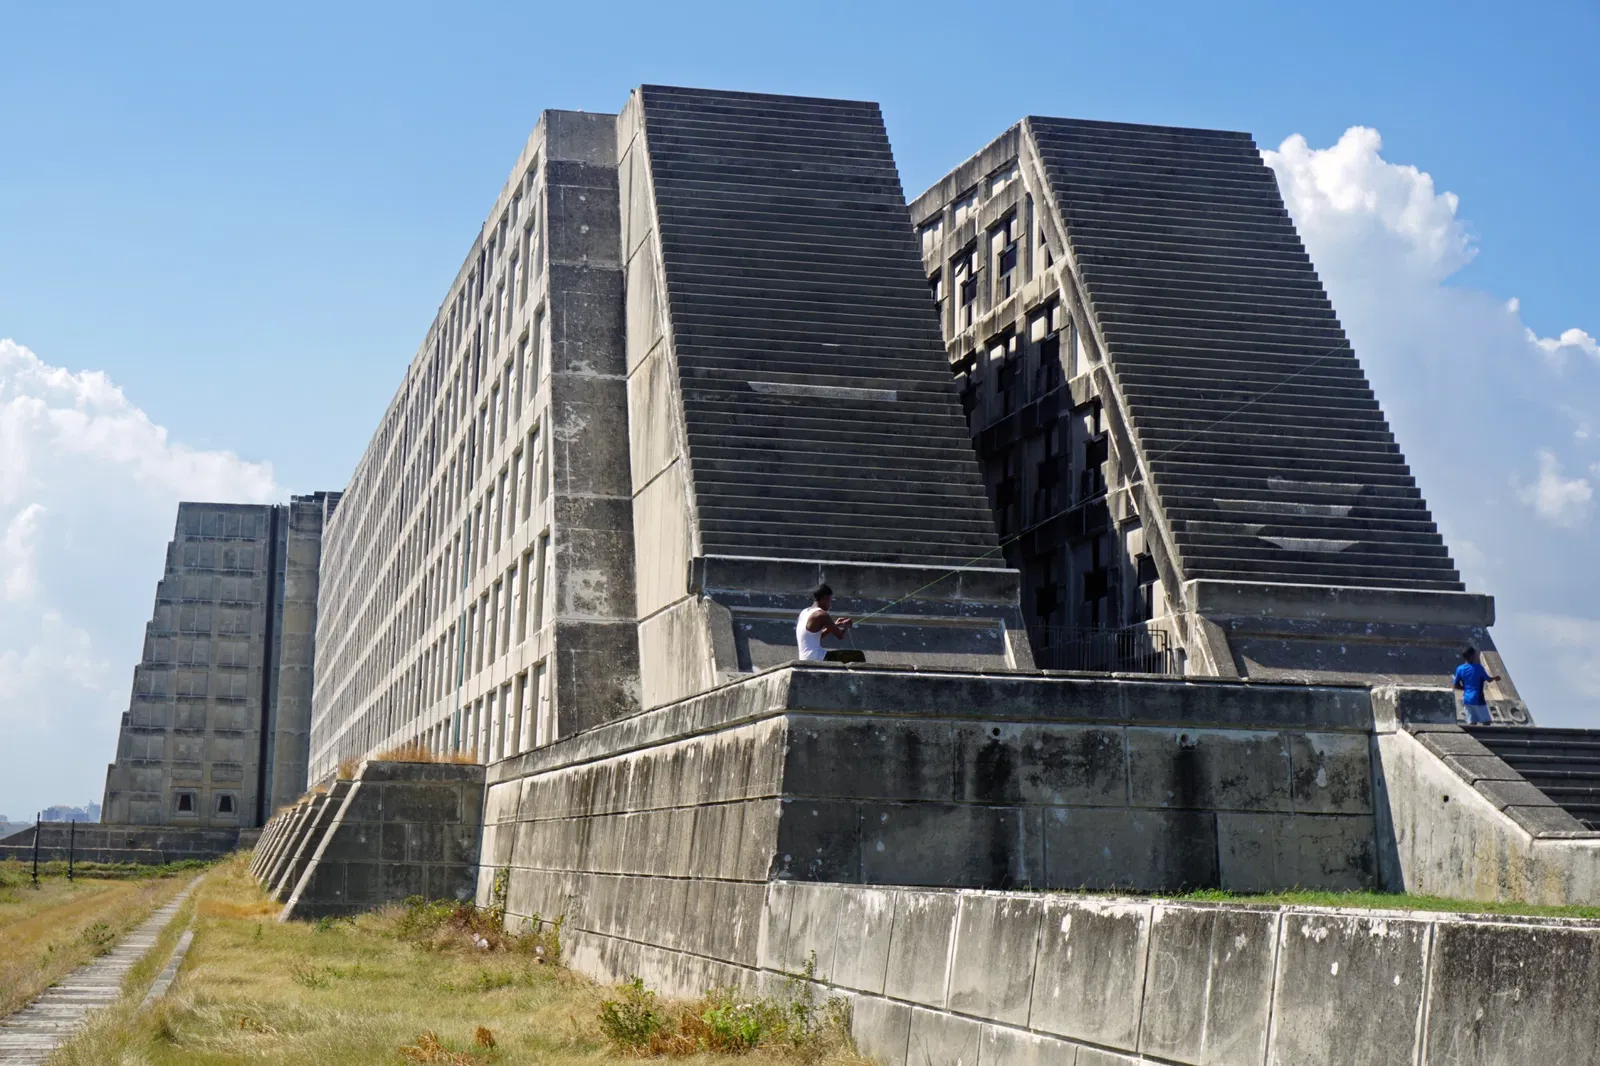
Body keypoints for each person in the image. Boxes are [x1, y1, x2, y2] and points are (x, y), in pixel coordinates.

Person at [796, 583, 853, 661]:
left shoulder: (803, 612)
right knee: (858, 655)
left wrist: (833, 625)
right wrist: (846, 625)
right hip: (817, 657)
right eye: (829, 601)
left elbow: (816, 637)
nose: (830, 605)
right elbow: (840, 636)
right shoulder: (821, 614)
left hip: (804, 658)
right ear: (824, 598)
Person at [1453, 647, 1502, 725]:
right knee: (1486, 722)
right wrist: (1495, 678)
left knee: (1472, 724)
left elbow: (1456, 686)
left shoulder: (1459, 669)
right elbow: (1489, 680)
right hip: (1478, 699)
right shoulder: (1478, 667)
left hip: (1467, 700)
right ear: (1471, 656)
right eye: (1475, 655)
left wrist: (1466, 689)